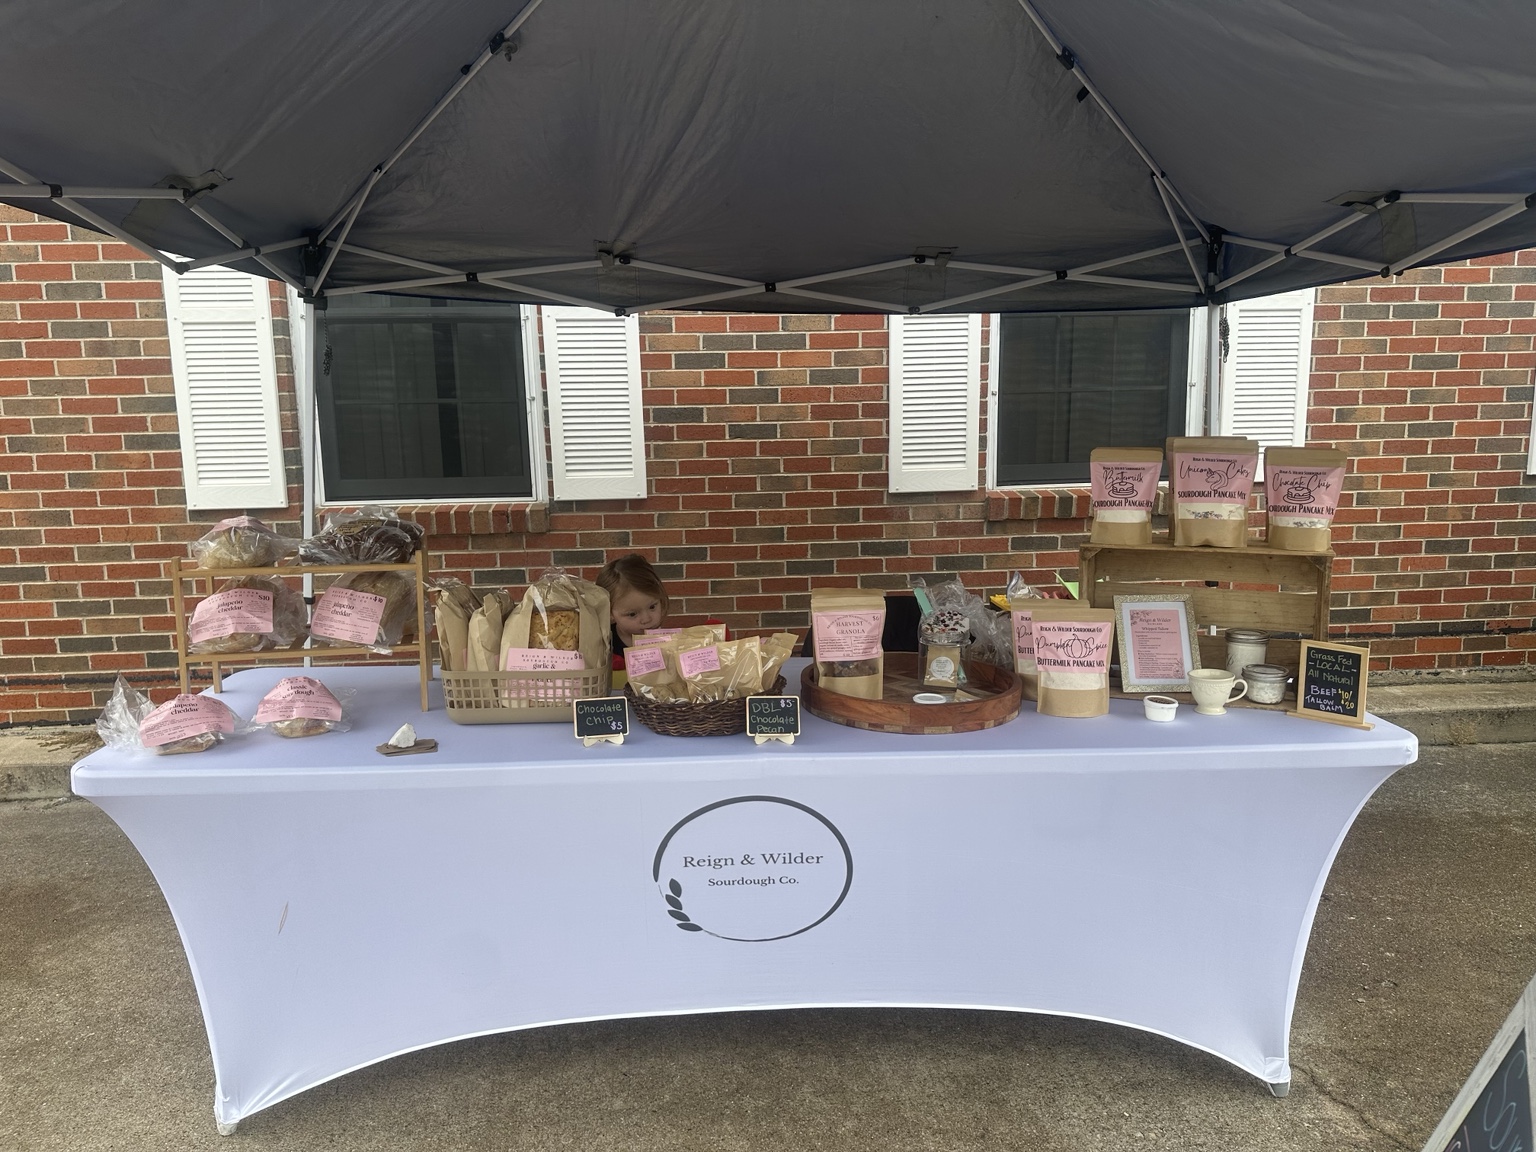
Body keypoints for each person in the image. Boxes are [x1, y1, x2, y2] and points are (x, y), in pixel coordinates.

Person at [595, 554, 670, 668]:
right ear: (609, 613)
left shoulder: (669, 642)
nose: (646, 619)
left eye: (652, 607)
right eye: (632, 614)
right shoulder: (603, 647)